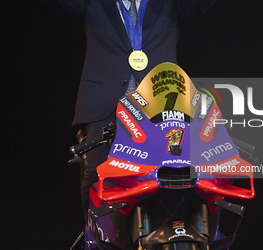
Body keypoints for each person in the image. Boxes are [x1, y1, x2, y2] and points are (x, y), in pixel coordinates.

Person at [41, 0, 216, 221]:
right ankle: (96, 243)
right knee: (97, 174)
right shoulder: (92, 4)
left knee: (191, 177)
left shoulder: (171, 5)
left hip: (161, 110)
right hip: (107, 109)